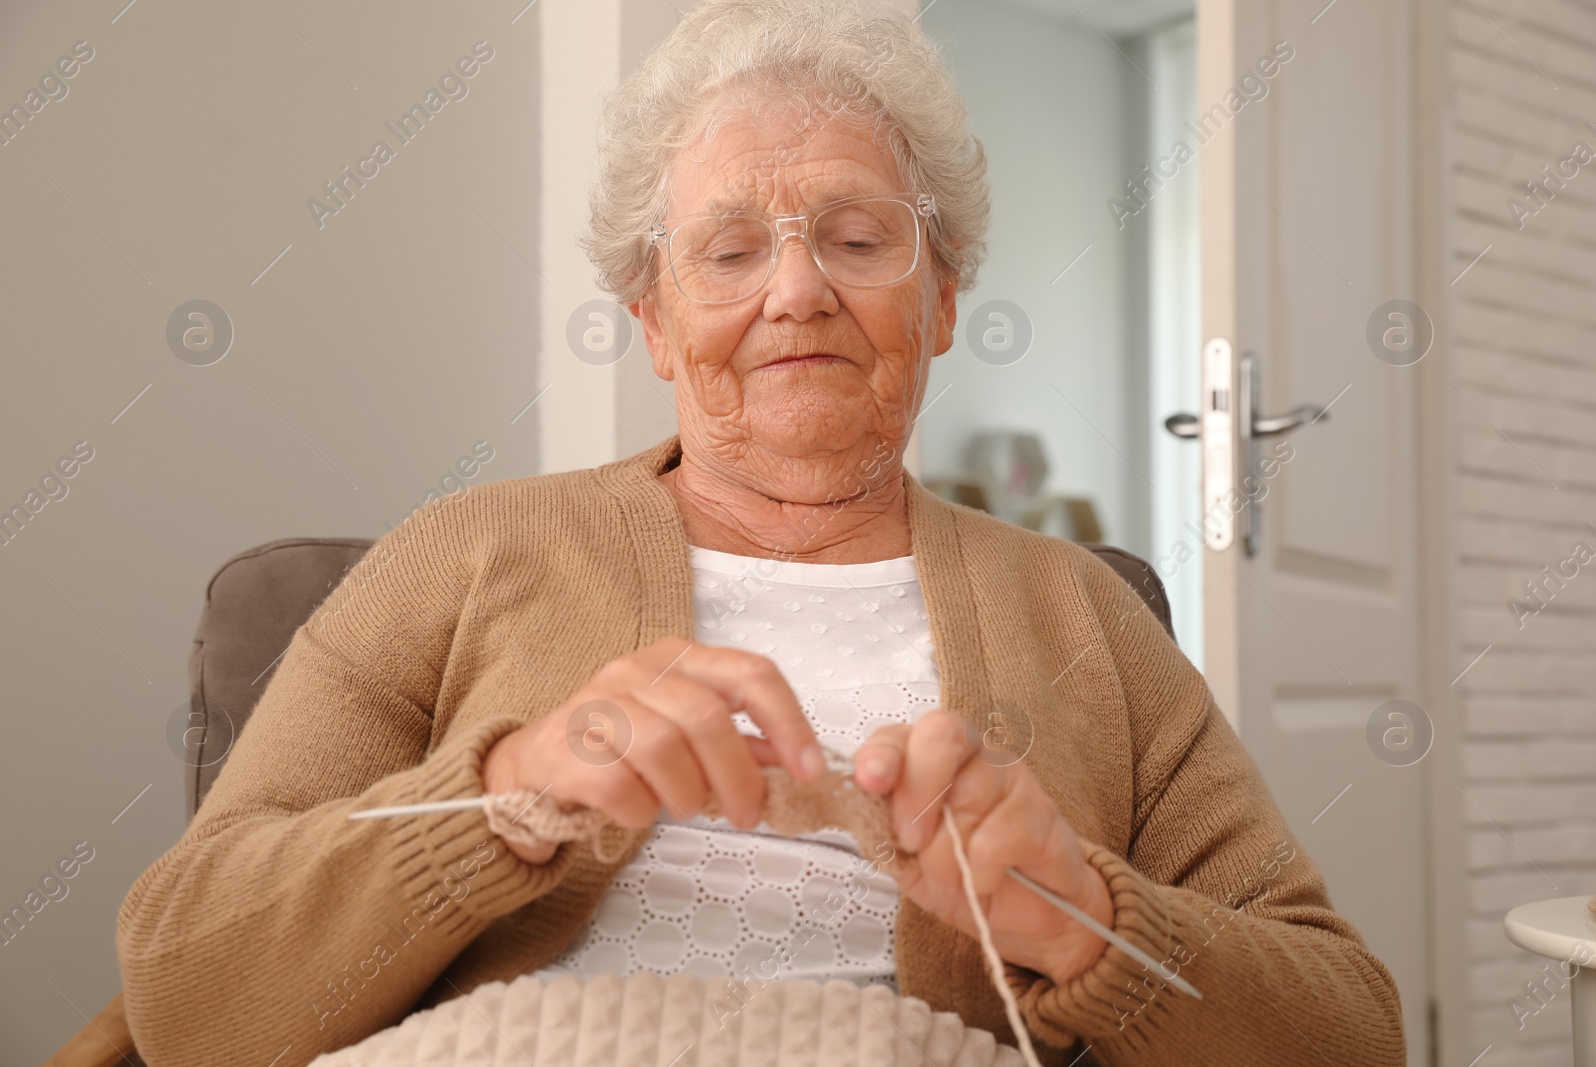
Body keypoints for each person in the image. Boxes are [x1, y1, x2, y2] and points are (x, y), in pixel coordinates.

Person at [117, 1, 1404, 1064]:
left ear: (943, 298)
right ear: (655, 319)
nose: (796, 291)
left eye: (857, 237)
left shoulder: (1084, 612)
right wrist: (509, 793)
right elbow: (185, 989)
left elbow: (1346, 1025)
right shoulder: (459, 552)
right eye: (728, 251)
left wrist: (1082, 920)